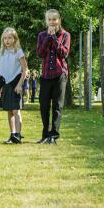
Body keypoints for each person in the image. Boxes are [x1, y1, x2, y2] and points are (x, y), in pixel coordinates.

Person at [36, 9, 71, 145]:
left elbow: (64, 53)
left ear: (59, 20)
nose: (52, 22)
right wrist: (48, 38)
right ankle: (45, 134)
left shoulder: (65, 35)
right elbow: (40, 53)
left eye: (54, 19)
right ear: (46, 21)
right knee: (44, 105)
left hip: (59, 75)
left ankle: (53, 136)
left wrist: (54, 38)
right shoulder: (41, 35)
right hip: (45, 75)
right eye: (49, 19)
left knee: (57, 106)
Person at [0, 27, 28, 144]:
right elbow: (0, 69)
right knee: (9, 111)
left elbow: (25, 70)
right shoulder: (1, 52)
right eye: (5, 38)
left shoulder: (19, 52)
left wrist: (20, 85)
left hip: (16, 84)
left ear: (15, 39)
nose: (7, 40)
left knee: (16, 110)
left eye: (9, 38)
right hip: (5, 84)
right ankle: (12, 135)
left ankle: (18, 135)